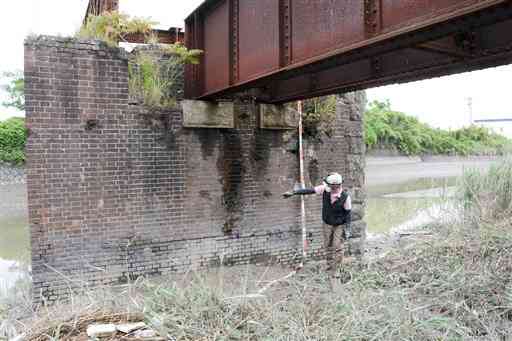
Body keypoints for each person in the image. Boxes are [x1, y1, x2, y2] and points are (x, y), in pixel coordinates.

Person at [283, 172, 352, 275]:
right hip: (327, 223)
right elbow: (310, 191)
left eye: (330, 186)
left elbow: (348, 214)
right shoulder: (324, 189)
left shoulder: (345, 197)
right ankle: (329, 266)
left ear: (337, 186)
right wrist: (294, 192)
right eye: (328, 185)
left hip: (339, 225)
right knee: (328, 245)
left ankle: (336, 269)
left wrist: (347, 229)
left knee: (337, 246)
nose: (328, 187)